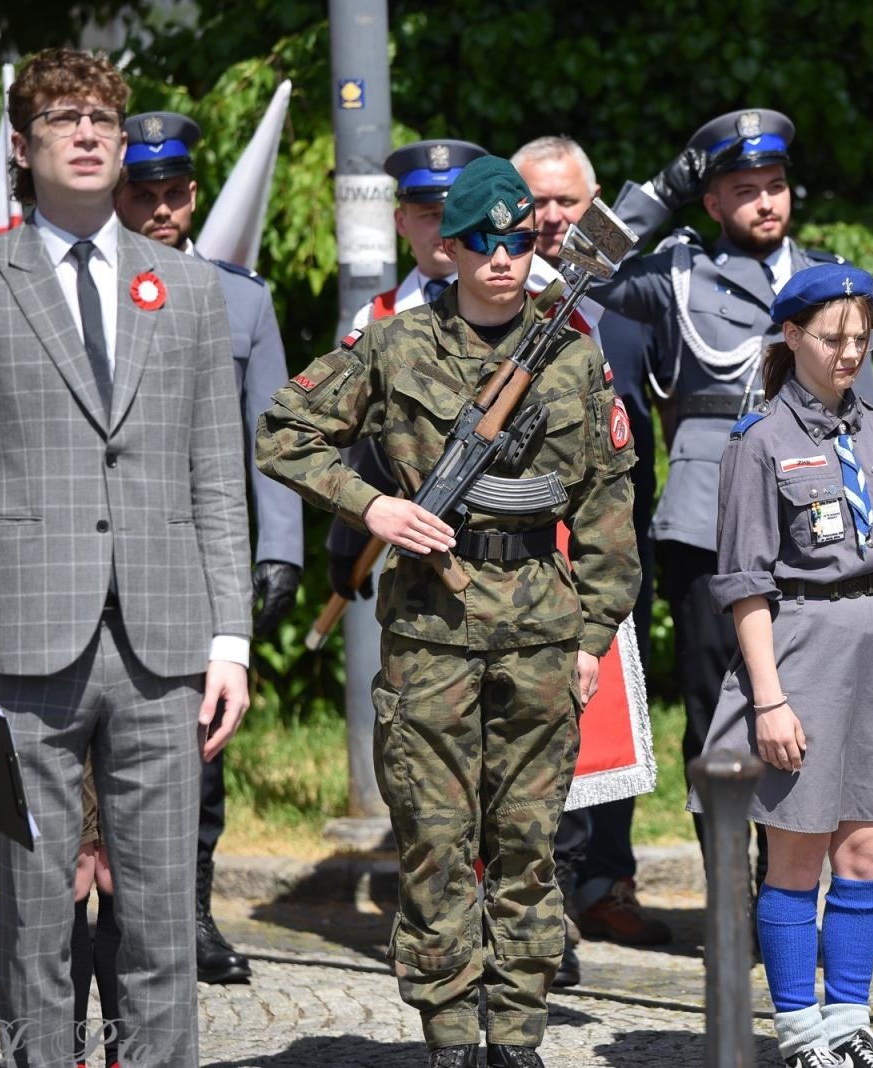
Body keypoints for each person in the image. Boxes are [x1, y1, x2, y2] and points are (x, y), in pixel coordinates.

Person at [256, 155, 640, 1068]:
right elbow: (284, 431)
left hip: (543, 635)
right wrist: (373, 506)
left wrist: (592, 637)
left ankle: (514, 1039)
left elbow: (605, 507)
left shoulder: (572, 351)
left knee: (528, 845)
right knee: (434, 842)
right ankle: (448, 1035)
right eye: (482, 243)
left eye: (518, 241)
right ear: (448, 250)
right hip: (430, 632)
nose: (503, 259)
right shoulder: (395, 347)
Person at [0, 47, 253, 1068]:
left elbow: (215, 477)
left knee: (159, 922)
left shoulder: (188, 289)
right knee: (32, 923)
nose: (92, 131)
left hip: (164, 645)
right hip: (19, 646)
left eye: (103, 113)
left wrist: (230, 637)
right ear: (23, 146)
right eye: (64, 116)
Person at [590, 108, 871, 894]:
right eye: (743, 190)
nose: (765, 203)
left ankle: (784, 887)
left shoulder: (829, 280)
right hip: (706, 524)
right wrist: (658, 193)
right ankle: (728, 896)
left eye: (775, 186)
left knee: (806, 709)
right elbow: (579, 270)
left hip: (810, 530)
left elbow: (864, 419)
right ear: (711, 202)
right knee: (718, 712)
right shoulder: (676, 273)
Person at [688, 263, 873, 1068]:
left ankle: (850, 1019)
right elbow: (745, 584)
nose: (849, 353)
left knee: (864, 852)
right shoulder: (758, 443)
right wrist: (769, 700)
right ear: (792, 335)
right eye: (832, 337)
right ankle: (799, 1030)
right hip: (800, 653)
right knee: (796, 856)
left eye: (860, 338)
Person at [111, 108, 305, 985]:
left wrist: (284, 550)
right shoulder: (87, 285)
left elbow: (273, 434)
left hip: (197, 557)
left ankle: (189, 911)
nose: (160, 207)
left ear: (194, 193)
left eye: (174, 191)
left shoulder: (241, 297)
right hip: (99, 550)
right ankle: (107, 908)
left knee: (202, 737)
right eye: (141, 192)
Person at [511, 136, 673, 963]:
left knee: (619, 714)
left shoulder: (634, 300)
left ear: (596, 202)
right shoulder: (494, 296)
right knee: (541, 727)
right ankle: (546, 897)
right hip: (524, 552)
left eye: (566, 203)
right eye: (535, 202)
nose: (549, 219)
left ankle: (607, 882)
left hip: (614, 545)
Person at [329, 138, 491, 826]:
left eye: (459, 212)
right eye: (429, 213)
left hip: (518, 558)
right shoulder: (378, 320)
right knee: (431, 762)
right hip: (427, 569)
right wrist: (349, 532)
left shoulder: (522, 304)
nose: (444, 229)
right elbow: (354, 441)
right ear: (403, 221)